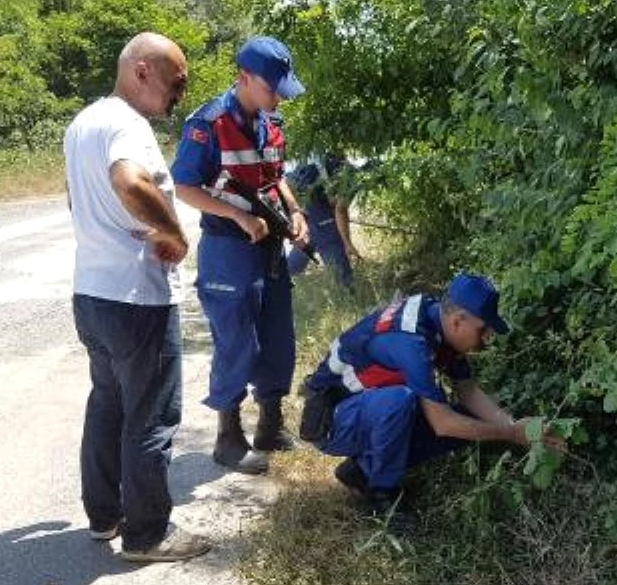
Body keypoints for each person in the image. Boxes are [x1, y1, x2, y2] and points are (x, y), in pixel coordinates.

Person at [63, 31, 210, 562]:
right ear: (142, 70)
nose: (180, 94)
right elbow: (129, 182)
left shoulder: (84, 121)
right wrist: (173, 231)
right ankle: (148, 534)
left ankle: (105, 516)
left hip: (93, 295)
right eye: (177, 81)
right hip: (135, 299)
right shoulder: (128, 123)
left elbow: (80, 199)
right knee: (150, 415)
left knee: (108, 403)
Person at [299, 272, 567, 531]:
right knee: (402, 402)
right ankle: (379, 495)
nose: (486, 340)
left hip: (363, 408)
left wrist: (515, 425)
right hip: (329, 421)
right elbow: (442, 424)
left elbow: (468, 390)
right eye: (483, 330)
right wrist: (510, 434)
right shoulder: (411, 342)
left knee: (464, 419)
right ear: (458, 321)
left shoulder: (437, 319)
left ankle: (359, 471)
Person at [171, 36, 310, 475]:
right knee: (236, 342)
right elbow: (185, 186)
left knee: (277, 338)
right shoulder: (207, 123)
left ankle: (270, 423)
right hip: (228, 251)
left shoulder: (270, 122)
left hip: (270, 248)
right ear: (243, 78)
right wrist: (238, 216)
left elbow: (275, 176)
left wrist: (295, 210)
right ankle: (228, 438)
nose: (277, 99)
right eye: (272, 89)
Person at [285, 151, 361, 289]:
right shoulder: (353, 176)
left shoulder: (326, 163)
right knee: (341, 271)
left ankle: (275, 281)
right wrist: (348, 244)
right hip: (321, 221)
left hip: (309, 215)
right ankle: (348, 297)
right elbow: (340, 210)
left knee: (295, 263)